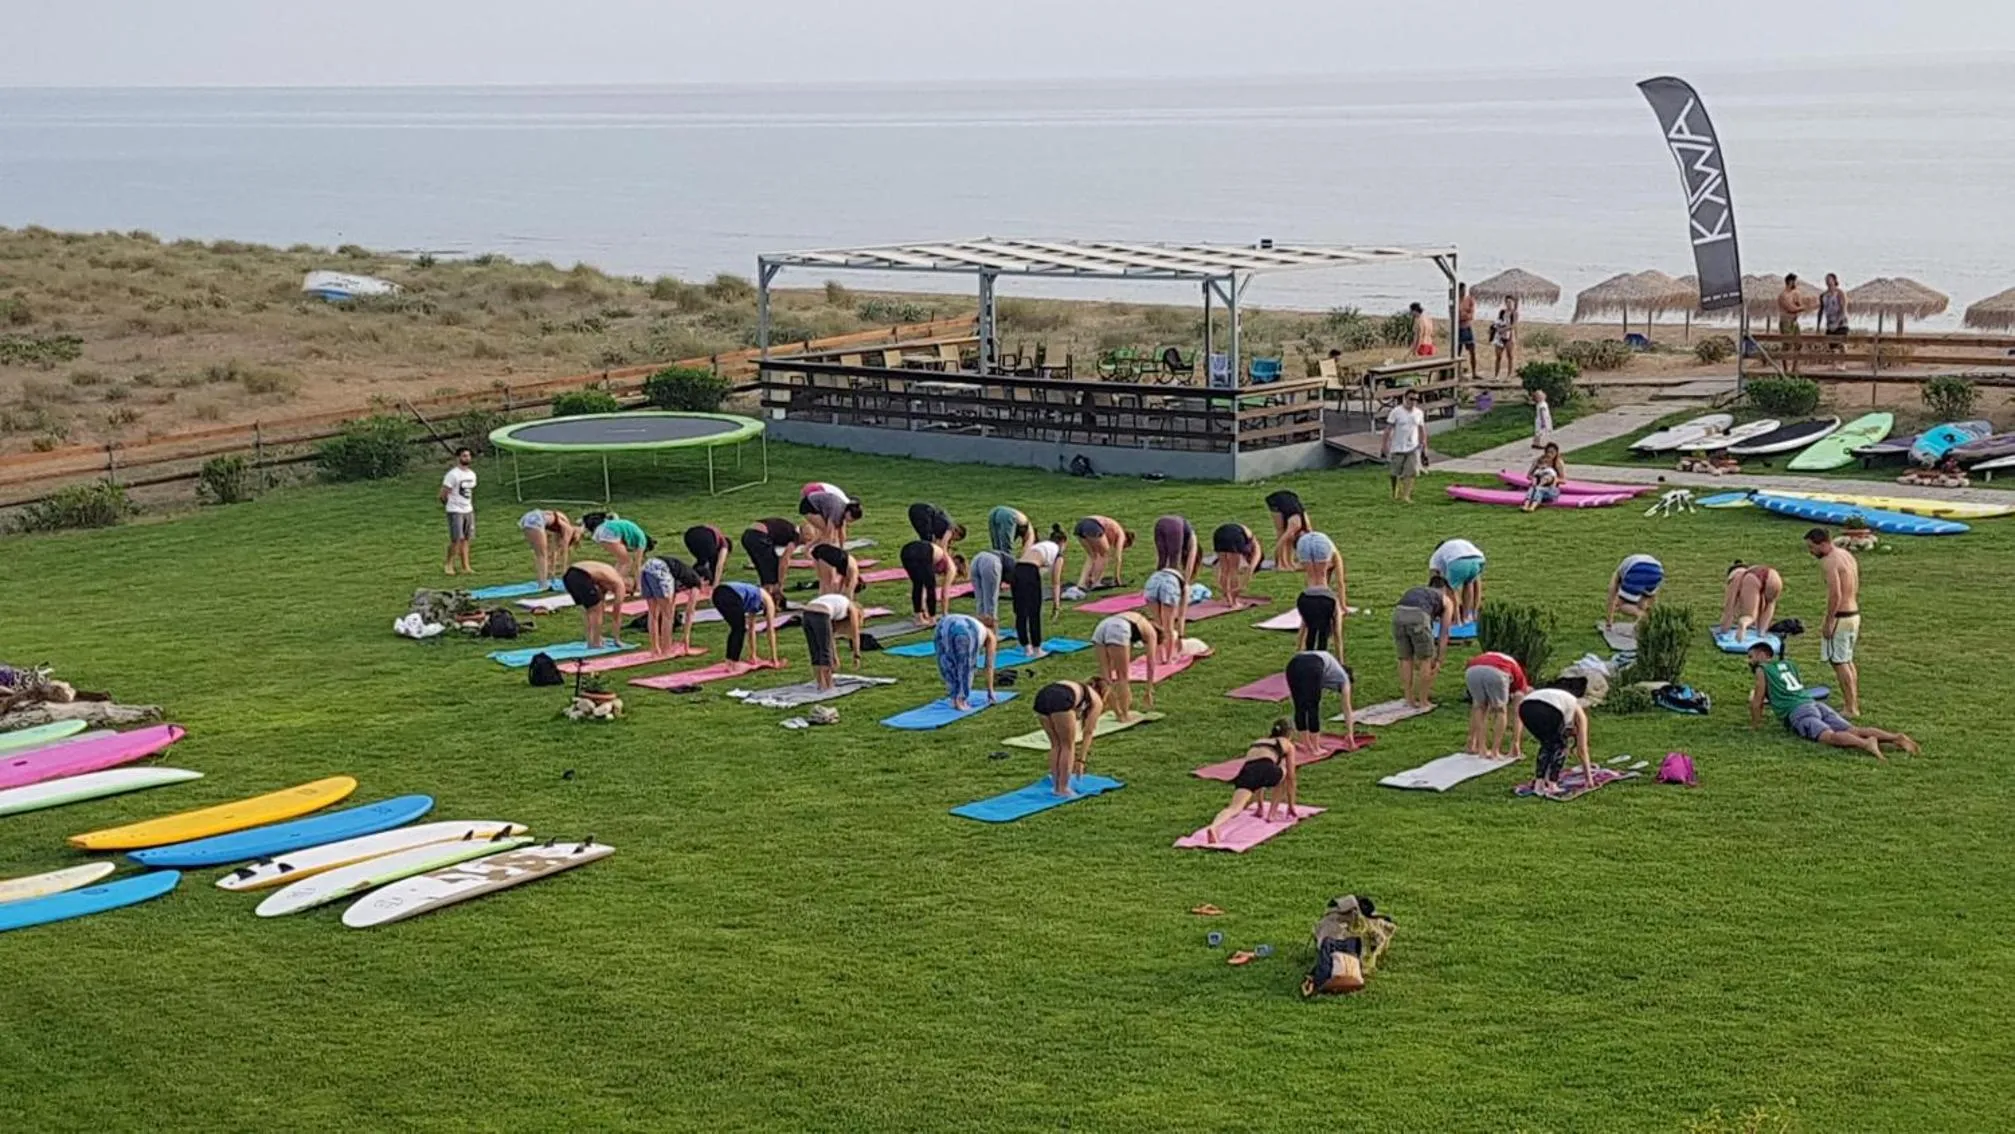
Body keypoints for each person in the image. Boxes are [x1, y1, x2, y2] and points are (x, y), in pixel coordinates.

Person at [1749, 640, 1914, 758]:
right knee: (1853, 730)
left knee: (1829, 736)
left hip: (1798, 712)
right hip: (1814, 704)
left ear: (1763, 655)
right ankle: (1895, 738)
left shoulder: (1762, 669)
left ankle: (1866, 744)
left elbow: (1757, 702)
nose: (1749, 661)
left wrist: (1756, 725)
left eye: (1751, 656)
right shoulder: (1789, 665)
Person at [1204, 720, 1299, 845]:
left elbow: (1257, 769)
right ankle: (1272, 813)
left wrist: (1259, 805)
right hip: (1267, 769)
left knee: (1235, 807)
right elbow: (1291, 778)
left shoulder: (1258, 742)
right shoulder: (1287, 744)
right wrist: (1291, 806)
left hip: (1247, 771)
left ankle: (1214, 826)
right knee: (1284, 771)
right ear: (1289, 734)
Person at [1806, 527, 1863, 717]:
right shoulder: (1845, 555)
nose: (1810, 552)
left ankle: (1851, 707)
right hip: (1854, 613)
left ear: (1822, 543)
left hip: (1842, 616)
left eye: (1812, 547)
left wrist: (1829, 621)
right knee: (1847, 660)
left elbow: (1835, 594)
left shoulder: (1829, 561)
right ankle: (1852, 703)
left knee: (1839, 662)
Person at [1512, 678, 1592, 797]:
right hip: (1548, 707)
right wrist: (1589, 779)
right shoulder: (1579, 713)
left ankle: (1539, 783)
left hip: (1525, 706)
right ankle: (1552, 784)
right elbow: (1582, 750)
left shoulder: (1564, 703)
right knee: (1561, 746)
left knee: (1547, 744)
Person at [1031, 677, 1108, 796]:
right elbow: (1088, 732)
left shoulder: (1077, 687)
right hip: (1060, 698)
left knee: (1056, 745)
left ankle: (1056, 786)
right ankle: (1063, 788)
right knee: (1067, 746)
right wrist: (1081, 760)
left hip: (1043, 696)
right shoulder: (1096, 700)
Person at [1392, 574, 1455, 709]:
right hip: (1419, 616)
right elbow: (1444, 633)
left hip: (1398, 614)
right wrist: (1439, 659)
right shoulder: (1446, 601)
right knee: (1425, 659)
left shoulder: (1419, 591)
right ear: (1445, 589)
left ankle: (1408, 699)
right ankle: (1423, 701)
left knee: (1406, 658)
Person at [1284, 649, 1356, 756]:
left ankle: (1307, 745)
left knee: (1300, 705)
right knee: (1313, 706)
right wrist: (1350, 733)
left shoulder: (1330, 669)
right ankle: (1316, 748)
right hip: (1312, 665)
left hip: (1293, 664)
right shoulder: (1344, 678)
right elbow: (1347, 708)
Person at [1009, 525, 1066, 659]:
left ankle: (1025, 647)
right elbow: (1056, 582)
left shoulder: (1040, 545)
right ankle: (1036, 648)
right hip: (1029, 570)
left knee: (1020, 612)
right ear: (1063, 542)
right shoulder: (1058, 553)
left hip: (1016, 570)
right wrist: (1056, 605)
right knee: (1034, 611)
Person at [1091, 611, 1159, 723]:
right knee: (1122, 677)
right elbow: (1151, 662)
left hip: (1102, 625)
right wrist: (1149, 688)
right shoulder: (1152, 633)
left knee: (1105, 677)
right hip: (1118, 627)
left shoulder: (1137, 621)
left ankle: (1118, 713)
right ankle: (1125, 714)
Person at [1465, 650, 1530, 758]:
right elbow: (1518, 713)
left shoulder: (1504, 659)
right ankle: (1495, 751)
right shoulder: (1521, 683)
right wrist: (1516, 743)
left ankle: (1479, 747)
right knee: (1500, 710)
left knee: (1479, 707)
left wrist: (1471, 738)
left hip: (1472, 669)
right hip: (1497, 671)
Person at [639, 554, 704, 658]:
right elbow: (690, 612)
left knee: (653, 613)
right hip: (661, 568)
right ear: (704, 579)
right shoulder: (696, 582)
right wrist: (686, 636)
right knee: (668, 615)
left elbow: (672, 596)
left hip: (648, 566)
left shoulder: (681, 575)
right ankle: (666, 650)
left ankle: (655, 649)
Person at [799, 590, 863, 692]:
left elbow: (830, 638)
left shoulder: (837, 604)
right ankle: (828, 685)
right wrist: (856, 655)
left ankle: (820, 683)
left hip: (806, 613)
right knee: (824, 653)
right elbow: (855, 634)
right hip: (821, 613)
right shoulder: (852, 608)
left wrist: (835, 657)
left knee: (815, 650)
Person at [934, 612, 999, 711]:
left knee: (947, 663)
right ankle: (961, 700)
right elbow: (988, 665)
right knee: (966, 666)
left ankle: (954, 697)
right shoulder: (989, 634)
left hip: (943, 624)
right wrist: (990, 691)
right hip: (965, 631)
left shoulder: (969, 619)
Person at [710, 579, 780, 666]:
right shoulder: (768, 599)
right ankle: (733, 662)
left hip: (717, 594)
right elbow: (770, 630)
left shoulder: (755, 597)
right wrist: (774, 659)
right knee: (739, 629)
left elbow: (752, 628)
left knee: (737, 628)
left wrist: (753, 655)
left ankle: (729, 661)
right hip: (729, 594)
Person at [560, 559, 627, 649]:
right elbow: (616, 614)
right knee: (596, 609)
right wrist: (617, 639)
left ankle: (591, 640)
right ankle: (595, 643)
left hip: (569, 575)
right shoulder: (620, 584)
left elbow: (601, 600)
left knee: (589, 610)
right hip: (581, 575)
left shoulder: (608, 577)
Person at [740, 516, 803, 604]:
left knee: (764, 572)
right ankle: (772, 601)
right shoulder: (795, 537)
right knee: (771, 574)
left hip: (748, 535)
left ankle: (766, 600)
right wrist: (780, 583)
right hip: (759, 537)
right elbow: (784, 561)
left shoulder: (788, 528)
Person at [1152, 514, 1201, 627]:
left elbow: (1160, 557)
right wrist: (1185, 585)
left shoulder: (1186, 534)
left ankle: (1156, 589)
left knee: (1162, 560)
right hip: (1175, 526)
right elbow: (1190, 562)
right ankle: (1170, 595)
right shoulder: (1193, 538)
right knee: (1174, 562)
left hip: (1160, 523)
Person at [898, 539, 960, 625]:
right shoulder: (952, 567)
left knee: (917, 584)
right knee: (930, 587)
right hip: (922, 551)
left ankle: (918, 618)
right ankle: (932, 619)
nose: (939, 574)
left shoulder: (940, 558)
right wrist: (945, 614)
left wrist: (924, 609)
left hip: (906, 551)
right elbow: (944, 593)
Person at [1381, 388, 1428, 503]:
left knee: (1410, 472)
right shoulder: (1396, 412)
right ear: (1405, 398)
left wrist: (1424, 443)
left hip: (1413, 447)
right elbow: (1388, 430)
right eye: (1411, 399)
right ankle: (1394, 492)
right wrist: (1384, 445)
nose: (1413, 401)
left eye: (1416, 399)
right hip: (1397, 447)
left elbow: (1421, 429)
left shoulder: (1419, 413)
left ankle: (1406, 496)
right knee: (1394, 473)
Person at [1718, 561, 1784, 641]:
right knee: (1770, 603)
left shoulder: (1736, 577)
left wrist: (1723, 629)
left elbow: (1729, 607)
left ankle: (1743, 624)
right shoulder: (1752, 569)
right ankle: (1761, 633)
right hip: (1773, 576)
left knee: (1750, 616)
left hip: (1753, 578)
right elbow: (1761, 605)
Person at [517, 508, 580, 590]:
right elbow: (564, 554)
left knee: (539, 554)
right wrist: (565, 575)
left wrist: (553, 575)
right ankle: (543, 584)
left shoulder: (560, 523)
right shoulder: (569, 530)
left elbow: (554, 551)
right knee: (542, 555)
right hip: (537, 519)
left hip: (528, 517)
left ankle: (542, 582)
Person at [1429, 537, 1486, 624]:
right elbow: (1477, 584)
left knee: (1451, 590)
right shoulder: (1452, 547)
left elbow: (1434, 581)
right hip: (1479, 559)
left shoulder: (1435, 557)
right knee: (1469, 582)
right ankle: (1468, 616)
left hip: (1458, 561)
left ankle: (1457, 620)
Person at [591, 514, 653, 592]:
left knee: (621, 561)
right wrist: (639, 586)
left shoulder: (634, 536)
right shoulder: (642, 541)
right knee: (627, 562)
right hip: (610, 531)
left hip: (600, 530)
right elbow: (637, 565)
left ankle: (609, 584)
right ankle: (615, 586)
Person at [439, 447, 477, 576]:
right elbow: (444, 493)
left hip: (468, 509)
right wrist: (448, 504)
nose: (467, 458)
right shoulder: (453, 475)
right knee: (456, 539)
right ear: (458, 458)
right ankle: (449, 564)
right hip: (455, 510)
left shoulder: (471, 474)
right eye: (464, 456)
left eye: (468, 455)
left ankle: (465, 566)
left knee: (466, 538)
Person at [1605, 553, 1665, 629]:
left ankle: (1644, 617)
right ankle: (1646, 623)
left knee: (1619, 604)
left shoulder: (1618, 574)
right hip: (1658, 570)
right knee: (1643, 603)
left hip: (1637, 567)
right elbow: (1652, 599)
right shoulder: (1625, 566)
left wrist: (1609, 621)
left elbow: (1612, 595)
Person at [1073, 515, 1132, 592]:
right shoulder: (1121, 535)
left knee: (1092, 556)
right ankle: (1095, 582)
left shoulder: (1110, 531)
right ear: (1126, 541)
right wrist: (1117, 578)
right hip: (1093, 525)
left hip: (1080, 525)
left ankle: (1081, 583)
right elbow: (1118, 558)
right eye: (1124, 546)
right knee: (1105, 554)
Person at [1141, 566, 1188, 662]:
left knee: (1159, 626)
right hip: (1169, 585)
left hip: (1153, 580)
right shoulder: (1186, 587)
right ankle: (1169, 659)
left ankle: (1159, 657)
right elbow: (1181, 616)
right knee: (1168, 627)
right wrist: (1180, 637)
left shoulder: (1170, 574)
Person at [1211, 522, 1262, 608]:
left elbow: (1218, 569)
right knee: (1233, 571)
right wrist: (1242, 586)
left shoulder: (1247, 541)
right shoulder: (1257, 550)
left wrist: (1221, 585)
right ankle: (1234, 602)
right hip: (1234, 535)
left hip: (1219, 532)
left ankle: (1228, 599)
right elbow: (1250, 570)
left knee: (1225, 570)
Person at [1264, 489, 1311, 570]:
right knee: (1281, 533)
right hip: (1276, 500)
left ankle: (1290, 562)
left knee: (1290, 537)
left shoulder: (1309, 531)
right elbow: (1280, 542)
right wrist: (1277, 560)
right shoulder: (1295, 526)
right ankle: (1281, 564)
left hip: (1291, 499)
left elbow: (1311, 548)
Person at [1295, 582, 1344, 656]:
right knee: (1328, 631)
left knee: (1309, 628)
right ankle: (1337, 660)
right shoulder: (1328, 569)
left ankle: (1303, 656)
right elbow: (1340, 584)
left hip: (1306, 596)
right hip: (1326, 597)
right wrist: (1342, 604)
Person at [968, 548, 1010, 633]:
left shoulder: (1011, 562)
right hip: (991, 562)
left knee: (980, 602)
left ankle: (980, 632)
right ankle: (992, 634)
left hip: (977, 558)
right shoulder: (1016, 570)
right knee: (990, 603)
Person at [1778, 273, 1813, 374]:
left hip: (1794, 321)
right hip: (1786, 321)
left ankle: (1794, 368)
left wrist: (1800, 302)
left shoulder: (1795, 293)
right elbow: (1791, 309)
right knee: (1787, 344)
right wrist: (1804, 307)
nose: (1796, 284)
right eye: (1794, 282)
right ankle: (1785, 368)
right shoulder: (1783, 296)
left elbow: (1799, 305)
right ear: (1790, 282)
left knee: (1798, 344)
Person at [1295, 528, 1345, 598]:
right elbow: (1340, 583)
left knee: (1313, 577)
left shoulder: (1329, 554)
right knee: (1316, 577)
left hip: (1308, 544)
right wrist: (1343, 606)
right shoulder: (1335, 556)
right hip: (1318, 545)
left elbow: (1339, 583)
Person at [1523, 443, 1565, 512]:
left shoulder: (1558, 463)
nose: (1549, 454)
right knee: (1533, 489)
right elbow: (1529, 475)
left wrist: (1553, 480)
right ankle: (1526, 505)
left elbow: (1563, 480)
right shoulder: (1540, 461)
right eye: (1548, 452)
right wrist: (1537, 479)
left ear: (1556, 453)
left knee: (1539, 489)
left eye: (1552, 452)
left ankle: (1533, 506)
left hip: (1550, 488)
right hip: (1539, 486)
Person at [1820, 272, 1850, 340]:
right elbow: (1821, 310)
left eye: (1829, 279)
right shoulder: (1824, 295)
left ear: (1834, 280)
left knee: (1840, 345)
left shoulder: (1840, 293)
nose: (1828, 281)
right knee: (1831, 347)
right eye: (1826, 280)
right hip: (1830, 324)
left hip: (1841, 325)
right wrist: (1818, 326)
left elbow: (1843, 309)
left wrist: (1837, 323)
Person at [1456, 282, 1477, 373]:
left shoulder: (1470, 300)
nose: (1464, 292)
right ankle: (1457, 372)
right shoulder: (1456, 300)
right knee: (1457, 352)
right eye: (1462, 291)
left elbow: (1471, 315)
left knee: (1472, 351)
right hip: (1458, 328)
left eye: (1465, 290)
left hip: (1467, 327)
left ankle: (1474, 372)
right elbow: (1455, 316)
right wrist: (1464, 315)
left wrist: (1463, 315)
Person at [1490, 307, 1513, 379]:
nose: (1506, 315)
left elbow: (1511, 327)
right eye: (1505, 314)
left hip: (1508, 338)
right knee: (1498, 356)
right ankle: (1496, 375)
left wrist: (1503, 329)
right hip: (1499, 339)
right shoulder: (1498, 321)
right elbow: (1493, 327)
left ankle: (1509, 375)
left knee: (1510, 356)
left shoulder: (1510, 322)